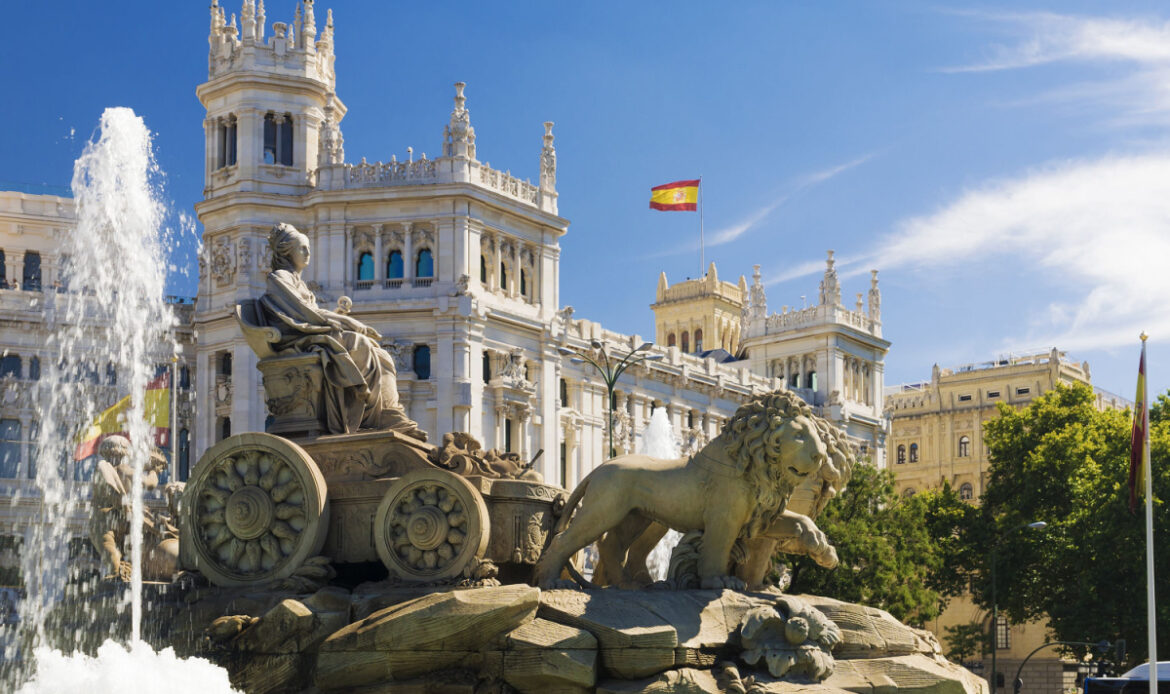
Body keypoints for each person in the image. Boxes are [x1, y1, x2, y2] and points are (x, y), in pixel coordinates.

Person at [261, 222, 426, 439]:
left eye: (308, 248)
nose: (308, 253)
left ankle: (385, 412)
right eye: (302, 248)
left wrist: (339, 320)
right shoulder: (279, 278)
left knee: (382, 354)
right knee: (360, 344)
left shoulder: (298, 283)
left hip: (312, 335)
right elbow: (303, 314)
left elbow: (311, 313)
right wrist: (348, 323)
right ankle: (370, 416)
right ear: (286, 251)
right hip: (299, 341)